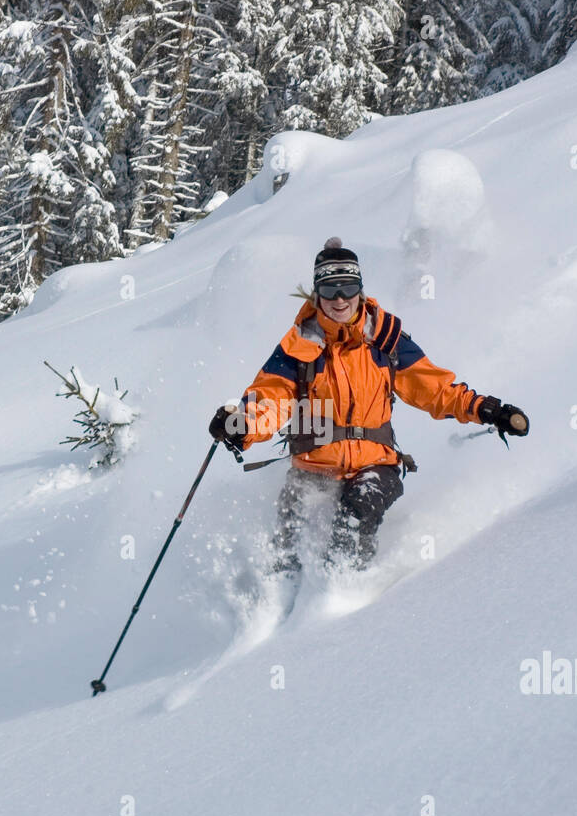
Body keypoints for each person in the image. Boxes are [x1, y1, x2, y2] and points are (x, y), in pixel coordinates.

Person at [209, 237, 528, 577]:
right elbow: (270, 398)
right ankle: (279, 612)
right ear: (316, 294)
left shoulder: (386, 342)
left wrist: (488, 409)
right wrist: (242, 424)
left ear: (360, 289)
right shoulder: (298, 348)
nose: (340, 299)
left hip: (375, 466)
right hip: (313, 468)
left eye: (347, 287)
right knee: (288, 546)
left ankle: (344, 603)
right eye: (330, 289)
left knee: (353, 518)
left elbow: (436, 391)